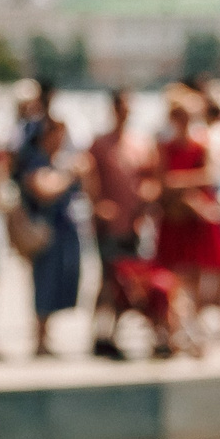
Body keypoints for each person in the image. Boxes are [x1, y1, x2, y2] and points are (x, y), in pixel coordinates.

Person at [155, 85, 220, 333]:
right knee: (174, 276)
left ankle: (193, 325)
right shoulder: (165, 146)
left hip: (194, 218)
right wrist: (185, 185)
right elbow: (162, 181)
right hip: (176, 217)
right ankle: (177, 326)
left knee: (199, 275)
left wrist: (179, 182)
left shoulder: (202, 144)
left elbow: (209, 176)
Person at [14, 111, 87, 357]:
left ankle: (47, 335)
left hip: (65, 230)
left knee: (61, 282)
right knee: (44, 283)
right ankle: (39, 338)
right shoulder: (36, 160)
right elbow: (43, 189)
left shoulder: (59, 160)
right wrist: (69, 174)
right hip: (45, 232)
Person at [85, 109, 155, 358]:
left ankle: (115, 333)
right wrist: (96, 204)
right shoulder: (100, 143)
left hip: (132, 223)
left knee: (126, 282)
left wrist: (144, 208)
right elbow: (88, 173)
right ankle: (98, 333)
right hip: (109, 225)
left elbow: (149, 178)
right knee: (106, 280)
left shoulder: (140, 142)